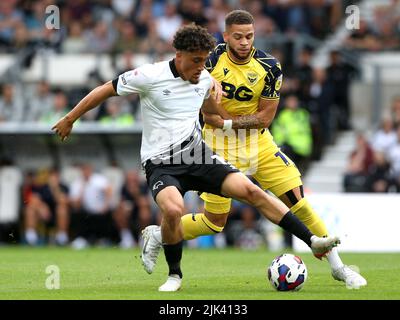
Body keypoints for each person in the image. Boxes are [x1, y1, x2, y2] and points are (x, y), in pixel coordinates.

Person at [52, 24, 340, 292]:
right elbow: (105, 90)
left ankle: (312, 241)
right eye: (195, 60)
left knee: (252, 191)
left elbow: (213, 113)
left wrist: (222, 107)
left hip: (197, 155)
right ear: (179, 55)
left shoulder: (203, 78)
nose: (201, 67)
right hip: (160, 162)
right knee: (174, 210)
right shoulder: (148, 76)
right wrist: (70, 118)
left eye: (205, 60)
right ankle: (174, 274)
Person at [140, 11, 366, 289]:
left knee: (299, 203)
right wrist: (223, 114)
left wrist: (228, 120)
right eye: (238, 36)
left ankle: (339, 268)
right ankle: (160, 234)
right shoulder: (209, 62)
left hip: (259, 144)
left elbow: (264, 118)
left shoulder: (270, 67)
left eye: (249, 36)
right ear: (226, 36)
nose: (244, 42)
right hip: (216, 146)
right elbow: (209, 116)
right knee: (215, 223)